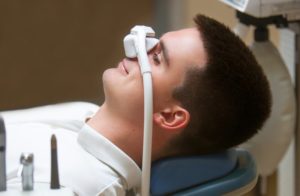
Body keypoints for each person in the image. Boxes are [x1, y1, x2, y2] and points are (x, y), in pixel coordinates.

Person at [2, 14, 271, 195]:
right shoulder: (85, 114)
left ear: (170, 116)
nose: (135, 47)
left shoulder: (74, 185)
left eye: (157, 58)